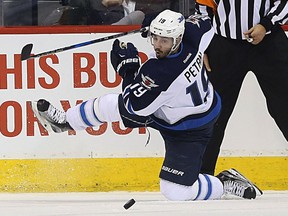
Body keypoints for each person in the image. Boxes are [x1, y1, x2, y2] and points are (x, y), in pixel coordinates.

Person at [30, 10, 262, 201]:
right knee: (111, 104)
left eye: (164, 40)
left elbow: (134, 112)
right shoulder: (193, 33)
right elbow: (205, 20)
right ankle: (64, 121)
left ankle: (223, 182)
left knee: (176, 191)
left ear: (178, 39)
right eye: (156, 38)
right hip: (176, 108)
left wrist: (128, 70)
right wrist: (156, 22)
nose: (158, 45)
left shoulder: (162, 73)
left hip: (191, 128)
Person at [195, 0, 288, 175]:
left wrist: (266, 24)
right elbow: (203, 7)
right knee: (214, 113)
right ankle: (201, 176)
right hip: (223, 46)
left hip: (269, 43)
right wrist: (204, 44)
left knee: (284, 107)